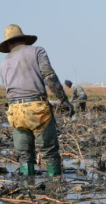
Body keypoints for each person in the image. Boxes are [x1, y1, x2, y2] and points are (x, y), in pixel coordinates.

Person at [0, 24, 74, 177]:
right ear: (24, 39)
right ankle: (56, 186)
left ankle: (29, 189)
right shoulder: (37, 51)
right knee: (50, 152)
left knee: (25, 156)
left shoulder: (4, 62)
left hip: (15, 112)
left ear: (8, 43)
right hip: (37, 108)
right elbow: (49, 76)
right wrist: (64, 100)